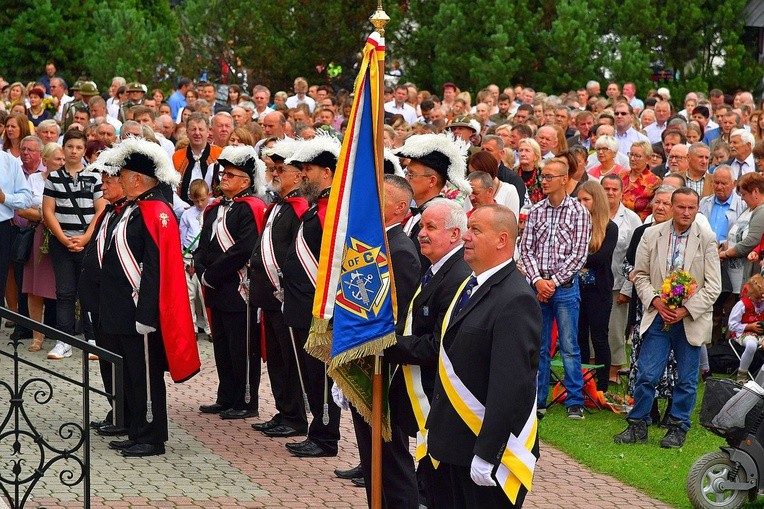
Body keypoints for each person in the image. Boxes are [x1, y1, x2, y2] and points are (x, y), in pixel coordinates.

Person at [427, 204, 541, 508]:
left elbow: (510, 385)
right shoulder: (471, 284)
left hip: (485, 452)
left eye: (475, 230)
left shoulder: (515, 298)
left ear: (502, 240)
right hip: (453, 444)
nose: (465, 236)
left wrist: (488, 453)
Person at [98, 136, 200, 457]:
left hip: (141, 312)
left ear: (139, 179)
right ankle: (137, 429)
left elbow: (157, 269)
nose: (120, 182)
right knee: (131, 374)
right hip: (124, 309)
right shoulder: (135, 208)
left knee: (145, 375)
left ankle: (152, 436)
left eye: (124, 177)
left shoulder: (156, 211)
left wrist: (146, 315)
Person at [615, 187, 721, 448]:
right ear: (672, 207)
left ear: (697, 209)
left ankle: (677, 427)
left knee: (686, 378)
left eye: (691, 208)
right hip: (658, 315)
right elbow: (639, 274)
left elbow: (713, 286)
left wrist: (686, 310)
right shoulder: (651, 234)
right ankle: (637, 424)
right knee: (647, 374)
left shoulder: (706, 239)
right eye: (681, 207)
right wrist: (656, 301)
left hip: (689, 319)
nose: (686, 212)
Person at [383, 197, 472, 507]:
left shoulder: (457, 276)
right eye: (421, 226)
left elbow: (439, 345)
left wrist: (388, 346)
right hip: (423, 388)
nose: (421, 233)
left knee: (435, 484)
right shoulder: (436, 269)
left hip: (437, 392)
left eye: (431, 227)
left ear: (455, 235)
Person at [346, 174, 420, 508]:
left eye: (382, 197)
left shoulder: (401, 251)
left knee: (390, 457)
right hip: (366, 360)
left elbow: (397, 315)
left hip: (383, 368)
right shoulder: (378, 244)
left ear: (400, 207)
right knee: (372, 452)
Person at [281, 134, 343, 458]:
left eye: (308, 168)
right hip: (303, 304)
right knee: (310, 374)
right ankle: (317, 431)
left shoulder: (329, 211)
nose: (302, 174)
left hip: (317, 309)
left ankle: (325, 436)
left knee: (320, 376)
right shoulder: (316, 208)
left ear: (328, 173)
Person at [195, 145, 266, 420]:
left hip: (237, 289)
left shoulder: (249, 209)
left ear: (245, 181)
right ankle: (225, 397)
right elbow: (202, 245)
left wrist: (211, 275)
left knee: (241, 348)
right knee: (222, 346)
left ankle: (246, 401)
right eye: (223, 173)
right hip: (215, 288)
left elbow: (243, 249)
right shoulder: (213, 209)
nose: (223, 178)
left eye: (230, 174)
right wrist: (201, 269)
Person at [520, 157, 591, 420]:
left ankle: (575, 401)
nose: (544, 180)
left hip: (565, 287)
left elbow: (579, 254)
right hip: (538, 287)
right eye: (543, 176)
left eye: (550, 176)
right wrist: (538, 280)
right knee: (538, 345)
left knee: (570, 345)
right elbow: (525, 250)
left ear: (564, 180)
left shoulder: (578, 212)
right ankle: (538, 399)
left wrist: (553, 282)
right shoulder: (536, 211)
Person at [249, 137, 310, 439]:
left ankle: (296, 416)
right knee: (275, 358)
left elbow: (297, 253)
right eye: (273, 168)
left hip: (284, 295)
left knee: (289, 360)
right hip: (269, 295)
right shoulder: (277, 206)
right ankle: (283, 410)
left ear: (299, 176)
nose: (274, 173)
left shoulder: (299, 208)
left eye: (281, 169)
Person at [42, 129, 105, 360]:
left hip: (87, 242)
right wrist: (62, 237)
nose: (74, 151)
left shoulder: (94, 176)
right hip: (62, 242)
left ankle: (92, 338)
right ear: (63, 147)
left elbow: (100, 210)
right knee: (65, 292)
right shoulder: (54, 178)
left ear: (84, 150)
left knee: (88, 292)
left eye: (79, 148)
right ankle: (64, 341)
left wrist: (87, 237)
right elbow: (48, 210)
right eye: (70, 147)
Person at [78, 158, 127, 435]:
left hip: (115, 301)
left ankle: (124, 414)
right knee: (106, 360)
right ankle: (115, 408)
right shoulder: (108, 211)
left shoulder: (127, 213)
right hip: (98, 299)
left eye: (108, 180)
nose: (103, 185)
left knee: (117, 359)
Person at [623, 186, 678, 425]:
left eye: (666, 203)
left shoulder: (681, 235)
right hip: (644, 305)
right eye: (657, 202)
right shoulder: (641, 232)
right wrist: (635, 274)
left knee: (672, 359)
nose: (661, 207)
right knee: (643, 357)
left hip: (674, 307)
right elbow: (626, 264)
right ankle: (648, 408)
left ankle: (673, 411)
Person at [576, 181, 618, 391]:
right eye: (579, 200)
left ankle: (602, 385)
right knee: (579, 336)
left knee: (599, 337)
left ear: (596, 201)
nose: (582, 204)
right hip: (576, 288)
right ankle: (582, 381)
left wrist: (575, 258)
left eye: (586, 199)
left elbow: (601, 258)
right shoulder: (574, 224)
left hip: (599, 290)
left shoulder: (610, 227)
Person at [19, 143, 61, 352]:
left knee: (64, 287)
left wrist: (48, 214)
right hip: (39, 236)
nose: (61, 163)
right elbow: (22, 208)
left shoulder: (68, 181)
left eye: (63, 159)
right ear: (45, 161)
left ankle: (65, 336)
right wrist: (47, 215)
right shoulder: (34, 180)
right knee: (35, 288)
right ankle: (37, 335)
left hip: (63, 236)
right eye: (57, 159)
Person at [602, 174, 643, 382]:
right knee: (595, 330)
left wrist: (628, 289)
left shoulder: (632, 219)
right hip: (595, 283)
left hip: (619, 284)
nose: (610, 193)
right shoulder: (593, 214)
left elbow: (635, 256)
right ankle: (594, 371)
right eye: (606, 189)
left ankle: (614, 373)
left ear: (621, 192)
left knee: (616, 331)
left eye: (614, 189)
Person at [178, 179, 212, 341]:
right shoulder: (187, 214)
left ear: (209, 195)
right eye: (195, 200)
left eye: (202, 200)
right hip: (189, 257)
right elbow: (182, 236)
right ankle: (192, 328)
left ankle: (209, 327)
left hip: (206, 257)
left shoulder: (213, 210)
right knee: (190, 293)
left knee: (204, 293)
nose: (199, 204)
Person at [728, 274, 764, 382]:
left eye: (761, 297)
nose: (759, 300)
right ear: (750, 294)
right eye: (757, 298)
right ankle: (742, 373)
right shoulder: (742, 305)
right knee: (751, 345)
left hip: (761, 335)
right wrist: (750, 326)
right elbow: (732, 325)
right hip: (743, 333)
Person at [619, 141, 661, 221]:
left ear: (648, 159)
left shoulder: (654, 181)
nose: (632, 159)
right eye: (631, 154)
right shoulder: (621, 175)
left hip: (640, 223)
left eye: (637, 156)